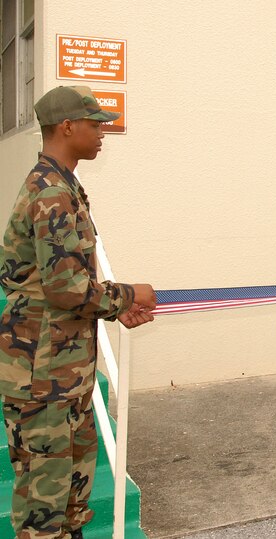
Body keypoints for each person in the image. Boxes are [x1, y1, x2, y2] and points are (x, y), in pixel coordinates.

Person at [0, 86, 156, 539]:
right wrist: (130, 295)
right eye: (95, 123)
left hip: (64, 373)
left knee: (71, 499)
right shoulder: (51, 192)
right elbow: (66, 287)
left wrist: (113, 309)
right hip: (43, 376)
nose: (103, 131)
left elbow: (66, 285)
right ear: (67, 127)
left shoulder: (62, 184)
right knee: (42, 512)